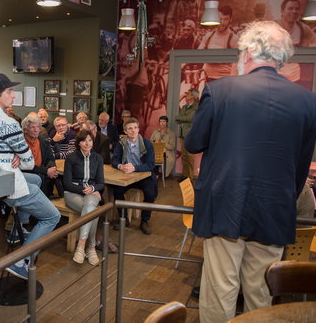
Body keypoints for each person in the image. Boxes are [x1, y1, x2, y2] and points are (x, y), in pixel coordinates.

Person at [185, 20, 316, 323]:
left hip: (224, 205)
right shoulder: (307, 101)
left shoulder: (220, 90)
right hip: (274, 208)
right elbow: (300, 167)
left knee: (221, 288)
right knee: (261, 290)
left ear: (247, 53)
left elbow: (193, 143)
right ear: (281, 58)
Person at [0, 73, 60, 280]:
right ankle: (22, 261)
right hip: (8, 183)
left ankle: (17, 231)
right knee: (52, 216)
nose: (13, 95)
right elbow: (29, 162)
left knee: (36, 180)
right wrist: (16, 156)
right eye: (9, 91)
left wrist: (12, 155)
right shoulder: (8, 123)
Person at [63, 130, 105, 265]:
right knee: (93, 210)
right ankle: (90, 247)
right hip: (73, 193)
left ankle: (81, 246)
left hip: (90, 194)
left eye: (90, 140)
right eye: (84, 140)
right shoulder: (71, 158)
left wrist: (93, 189)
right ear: (78, 143)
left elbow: (101, 183)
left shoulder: (98, 158)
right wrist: (84, 190)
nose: (87, 143)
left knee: (90, 207)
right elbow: (67, 183)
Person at [111, 117, 158, 235]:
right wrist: (121, 166)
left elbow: (151, 165)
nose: (133, 131)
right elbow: (115, 160)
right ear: (125, 132)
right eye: (130, 129)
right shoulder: (121, 143)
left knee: (150, 193)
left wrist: (135, 168)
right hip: (127, 175)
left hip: (144, 175)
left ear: (138, 129)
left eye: (136, 128)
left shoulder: (146, 144)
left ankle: (144, 221)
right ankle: (124, 219)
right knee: (117, 190)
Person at [22, 114, 63, 198]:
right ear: (25, 130)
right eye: (33, 127)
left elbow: (51, 158)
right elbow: (26, 166)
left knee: (59, 175)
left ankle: (61, 199)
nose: (36, 130)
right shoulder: (20, 143)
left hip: (42, 171)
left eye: (38, 127)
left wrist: (52, 169)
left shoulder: (43, 140)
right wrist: (46, 171)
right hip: (27, 173)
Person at [198, 5, 239, 82]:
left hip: (224, 81)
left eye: (226, 19)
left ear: (231, 19)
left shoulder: (233, 39)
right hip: (207, 79)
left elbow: (236, 64)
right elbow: (198, 55)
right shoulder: (208, 36)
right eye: (220, 19)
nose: (222, 23)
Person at [175, 89, 199, 182]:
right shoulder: (184, 107)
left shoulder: (196, 106)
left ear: (193, 96)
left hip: (190, 135)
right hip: (182, 134)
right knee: (184, 156)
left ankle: (190, 178)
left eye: (188, 94)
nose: (186, 95)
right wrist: (181, 118)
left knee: (189, 157)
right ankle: (185, 176)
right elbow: (179, 118)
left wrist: (181, 118)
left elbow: (189, 118)